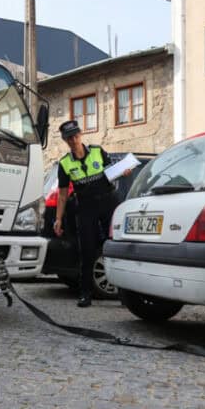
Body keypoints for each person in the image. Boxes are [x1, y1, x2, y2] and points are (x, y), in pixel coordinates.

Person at [53, 120, 131, 308]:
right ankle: (85, 294)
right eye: (69, 138)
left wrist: (124, 172)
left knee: (114, 246)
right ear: (65, 141)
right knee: (87, 250)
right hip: (86, 207)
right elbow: (63, 195)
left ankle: (123, 293)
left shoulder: (97, 151)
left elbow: (111, 172)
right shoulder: (64, 163)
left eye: (75, 135)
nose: (73, 139)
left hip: (108, 202)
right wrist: (58, 219)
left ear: (81, 135)